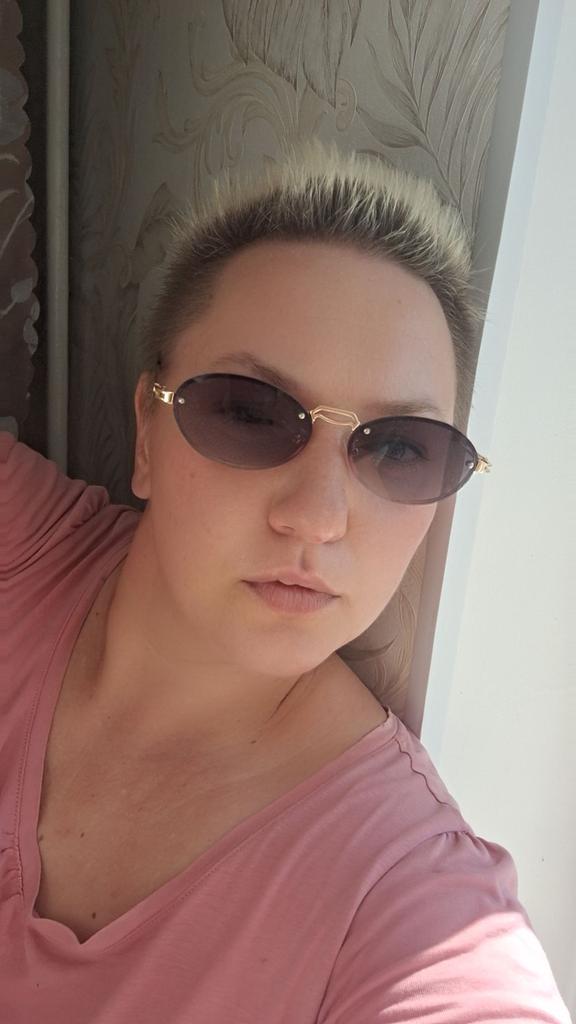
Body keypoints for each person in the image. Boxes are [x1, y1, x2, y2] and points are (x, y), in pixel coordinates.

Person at [0, 139, 571, 1023]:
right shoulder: (25, 548)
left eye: (400, 449)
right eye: (248, 412)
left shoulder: (404, 890)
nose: (318, 516)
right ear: (146, 432)